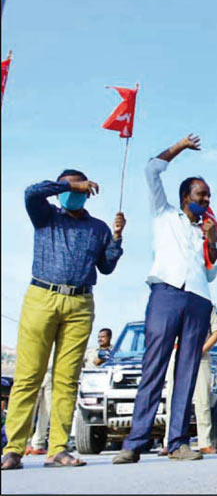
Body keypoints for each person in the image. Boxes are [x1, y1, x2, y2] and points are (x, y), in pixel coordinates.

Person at [1, 170, 125, 470]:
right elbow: (32, 191)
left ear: (88, 193)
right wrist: (67, 184)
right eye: (70, 187)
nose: (75, 192)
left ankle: (57, 449)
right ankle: (14, 449)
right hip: (42, 296)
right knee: (29, 377)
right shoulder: (46, 215)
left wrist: (117, 238)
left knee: (67, 380)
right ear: (60, 191)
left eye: (80, 187)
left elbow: (106, 267)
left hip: (80, 303)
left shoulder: (98, 228)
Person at [114, 134, 217, 464]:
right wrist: (181, 147)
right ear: (185, 196)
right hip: (166, 294)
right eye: (201, 194)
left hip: (199, 298)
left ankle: (178, 442)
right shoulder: (164, 214)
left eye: (209, 196)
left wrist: (213, 243)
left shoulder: (207, 230)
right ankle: (135, 441)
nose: (206, 200)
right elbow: (150, 170)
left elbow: (212, 271)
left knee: (187, 371)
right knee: (154, 366)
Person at [160, 306, 217, 455]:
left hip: (200, 356)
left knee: (203, 401)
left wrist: (202, 350)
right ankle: (170, 442)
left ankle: (204, 442)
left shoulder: (207, 306)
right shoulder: (175, 304)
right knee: (173, 401)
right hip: (177, 355)